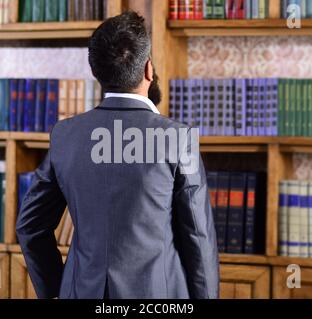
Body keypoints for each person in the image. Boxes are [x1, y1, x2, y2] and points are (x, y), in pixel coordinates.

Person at [16, 11, 219, 299]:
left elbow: (30, 227)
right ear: (148, 70)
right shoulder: (177, 138)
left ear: (97, 72)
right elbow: (198, 239)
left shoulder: (66, 136)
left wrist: (56, 291)